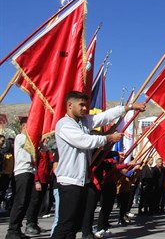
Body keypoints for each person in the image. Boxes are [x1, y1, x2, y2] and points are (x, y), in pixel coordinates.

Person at [51, 90, 146, 239]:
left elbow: (104, 116)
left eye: (85, 105)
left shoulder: (84, 122)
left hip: (83, 181)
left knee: (75, 224)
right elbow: (85, 141)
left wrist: (130, 107)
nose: (84, 108)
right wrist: (108, 138)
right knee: (65, 224)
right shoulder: (64, 124)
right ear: (69, 105)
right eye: (81, 105)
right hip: (69, 181)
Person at [5, 117, 35, 239]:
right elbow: (30, 145)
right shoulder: (20, 137)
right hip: (22, 171)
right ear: (23, 126)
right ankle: (11, 231)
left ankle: (17, 229)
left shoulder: (29, 139)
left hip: (30, 171)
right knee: (20, 201)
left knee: (26, 202)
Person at [25, 137, 54, 235]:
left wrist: (47, 149)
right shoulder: (36, 152)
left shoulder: (45, 151)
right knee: (34, 202)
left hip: (45, 179)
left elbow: (51, 160)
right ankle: (29, 224)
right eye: (45, 139)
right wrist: (36, 180)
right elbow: (34, 166)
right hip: (38, 179)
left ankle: (35, 223)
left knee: (39, 202)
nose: (46, 141)